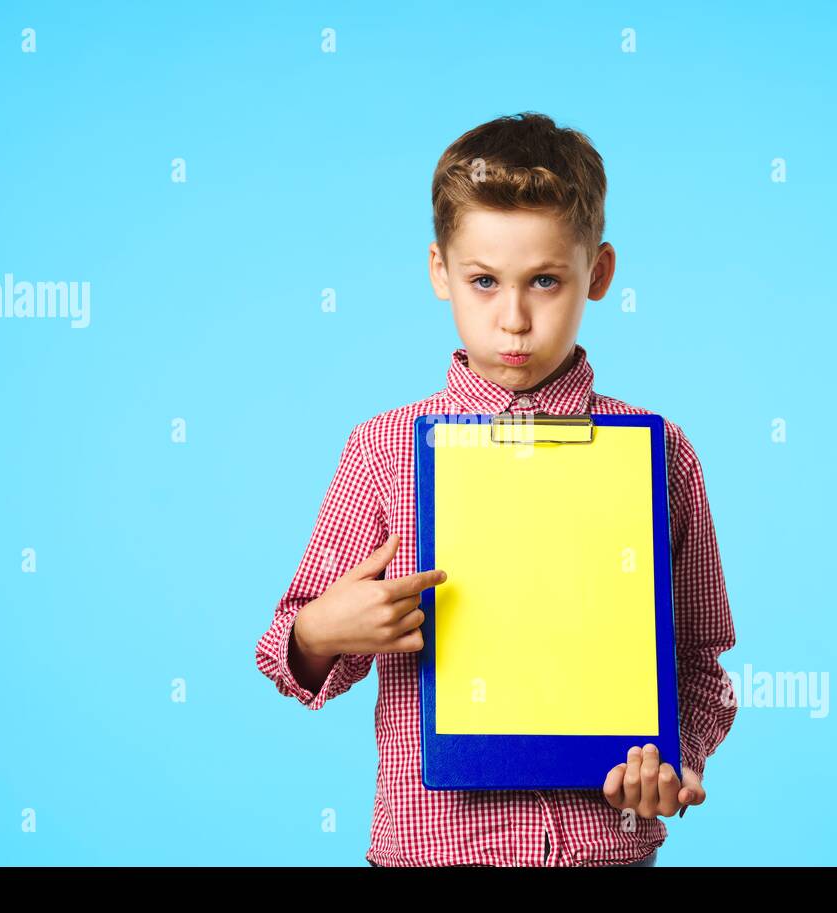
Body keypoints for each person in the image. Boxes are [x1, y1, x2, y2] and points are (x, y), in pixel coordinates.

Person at [256, 111, 738, 867]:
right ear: (440, 272)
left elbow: (701, 661)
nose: (513, 320)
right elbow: (287, 651)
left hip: (604, 851)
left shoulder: (659, 453)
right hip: (431, 851)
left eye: (545, 281)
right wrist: (321, 632)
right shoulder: (382, 451)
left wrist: (675, 758)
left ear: (600, 275)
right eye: (484, 282)